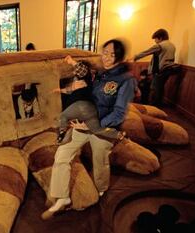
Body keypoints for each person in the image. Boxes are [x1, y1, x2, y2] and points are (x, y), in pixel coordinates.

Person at [43, 39, 135, 219]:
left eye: (112, 54)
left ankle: (101, 189)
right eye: (105, 52)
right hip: (83, 123)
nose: (107, 57)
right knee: (62, 154)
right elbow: (84, 81)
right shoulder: (99, 73)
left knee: (100, 161)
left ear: (120, 57)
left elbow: (119, 113)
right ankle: (62, 197)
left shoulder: (126, 80)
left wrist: (95, 125)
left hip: (103, 128)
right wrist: (67, 89)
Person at [133, 29, 176, 106]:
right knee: (160, 88)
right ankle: (158, 104)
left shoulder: (160, 45)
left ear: (160, 38)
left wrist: (135, 57)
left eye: (155, 39)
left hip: (160, 70)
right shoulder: (172, 46)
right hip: (168, 69)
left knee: (154, 88)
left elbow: (146, 52)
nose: (155, 41)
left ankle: (154, 106)